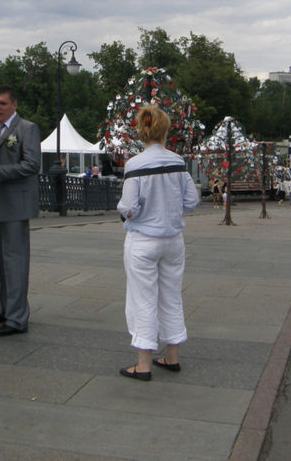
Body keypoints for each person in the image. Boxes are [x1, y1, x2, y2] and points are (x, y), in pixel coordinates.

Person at [117, 105, 199, 380]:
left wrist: (131, 212)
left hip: (143, 240)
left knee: (142, 299)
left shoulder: (135, 165)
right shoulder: (178, 161)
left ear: (141, 130)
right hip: (173, 240)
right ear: (166, 130)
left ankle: (143, 364)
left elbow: (129, 208)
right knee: (171, 296)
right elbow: (191, 201)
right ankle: (172, 357)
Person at [0, 85, 41, 335]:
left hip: (14, 206)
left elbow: (31, 164)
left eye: (2, 103)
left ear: (13, 105)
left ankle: (17, 319)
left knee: (14, 262)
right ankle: (5, 307)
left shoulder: (27, 129)